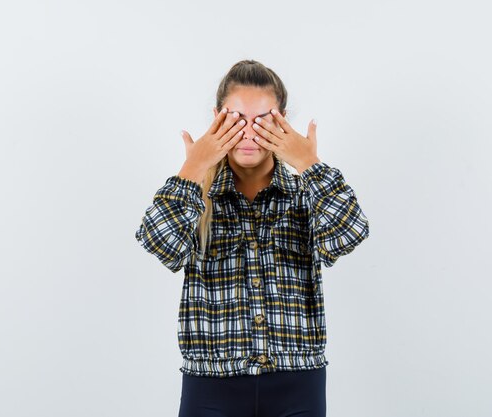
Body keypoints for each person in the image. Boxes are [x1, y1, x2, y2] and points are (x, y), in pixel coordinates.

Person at [134, 59, 370, 417]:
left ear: (283, 121)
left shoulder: (304, 193)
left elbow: (349, 233)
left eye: (263, 120)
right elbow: (160, 245)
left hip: (298, 383)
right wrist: (192, 168)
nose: (248, 133)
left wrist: (309, 163)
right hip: (211, 385)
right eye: (235, 119)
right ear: (216, 118)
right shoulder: (196, 197)